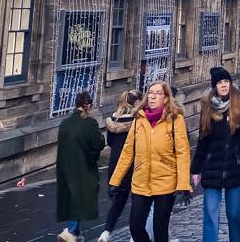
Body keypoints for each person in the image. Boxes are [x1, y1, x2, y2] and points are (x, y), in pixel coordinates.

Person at [110, 81, 193, 242]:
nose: (153, 96)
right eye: (150, 92)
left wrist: (183, 184)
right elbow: (128, 151)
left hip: (165, 182)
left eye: (158, 93)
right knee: (135, 227)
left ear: (166, 98)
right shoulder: (139, 119)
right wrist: (116, 180)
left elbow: (183, 153)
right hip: (141, 181)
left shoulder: (176, 119)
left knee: (160, 229)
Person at [192, 67, 240, 242]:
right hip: (212, 167)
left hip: (236, 167)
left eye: (226, 82)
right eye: (220, 82)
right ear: (215, 86)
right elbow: (202, 140)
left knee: (234, 213)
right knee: (210, 215)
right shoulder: (208, 109)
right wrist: (195, 169)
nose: (224, 85)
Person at [55, 91, 105, 242]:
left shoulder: (65, 123)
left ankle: (75, 232)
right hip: (83, 167)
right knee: (80, 199)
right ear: (89, 105)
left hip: (65, 166)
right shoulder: (90, 122)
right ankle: (70, 231)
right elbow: (98, 144)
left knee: (72, 198)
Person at [98, 90, 143, 242]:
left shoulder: (113, 119)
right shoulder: (138, 120)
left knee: (118, 201)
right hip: (133, 163)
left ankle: (106, 232)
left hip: (115, 164)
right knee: (137, 202)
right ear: (137, 102)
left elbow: (110, 142)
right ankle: (133, 235)